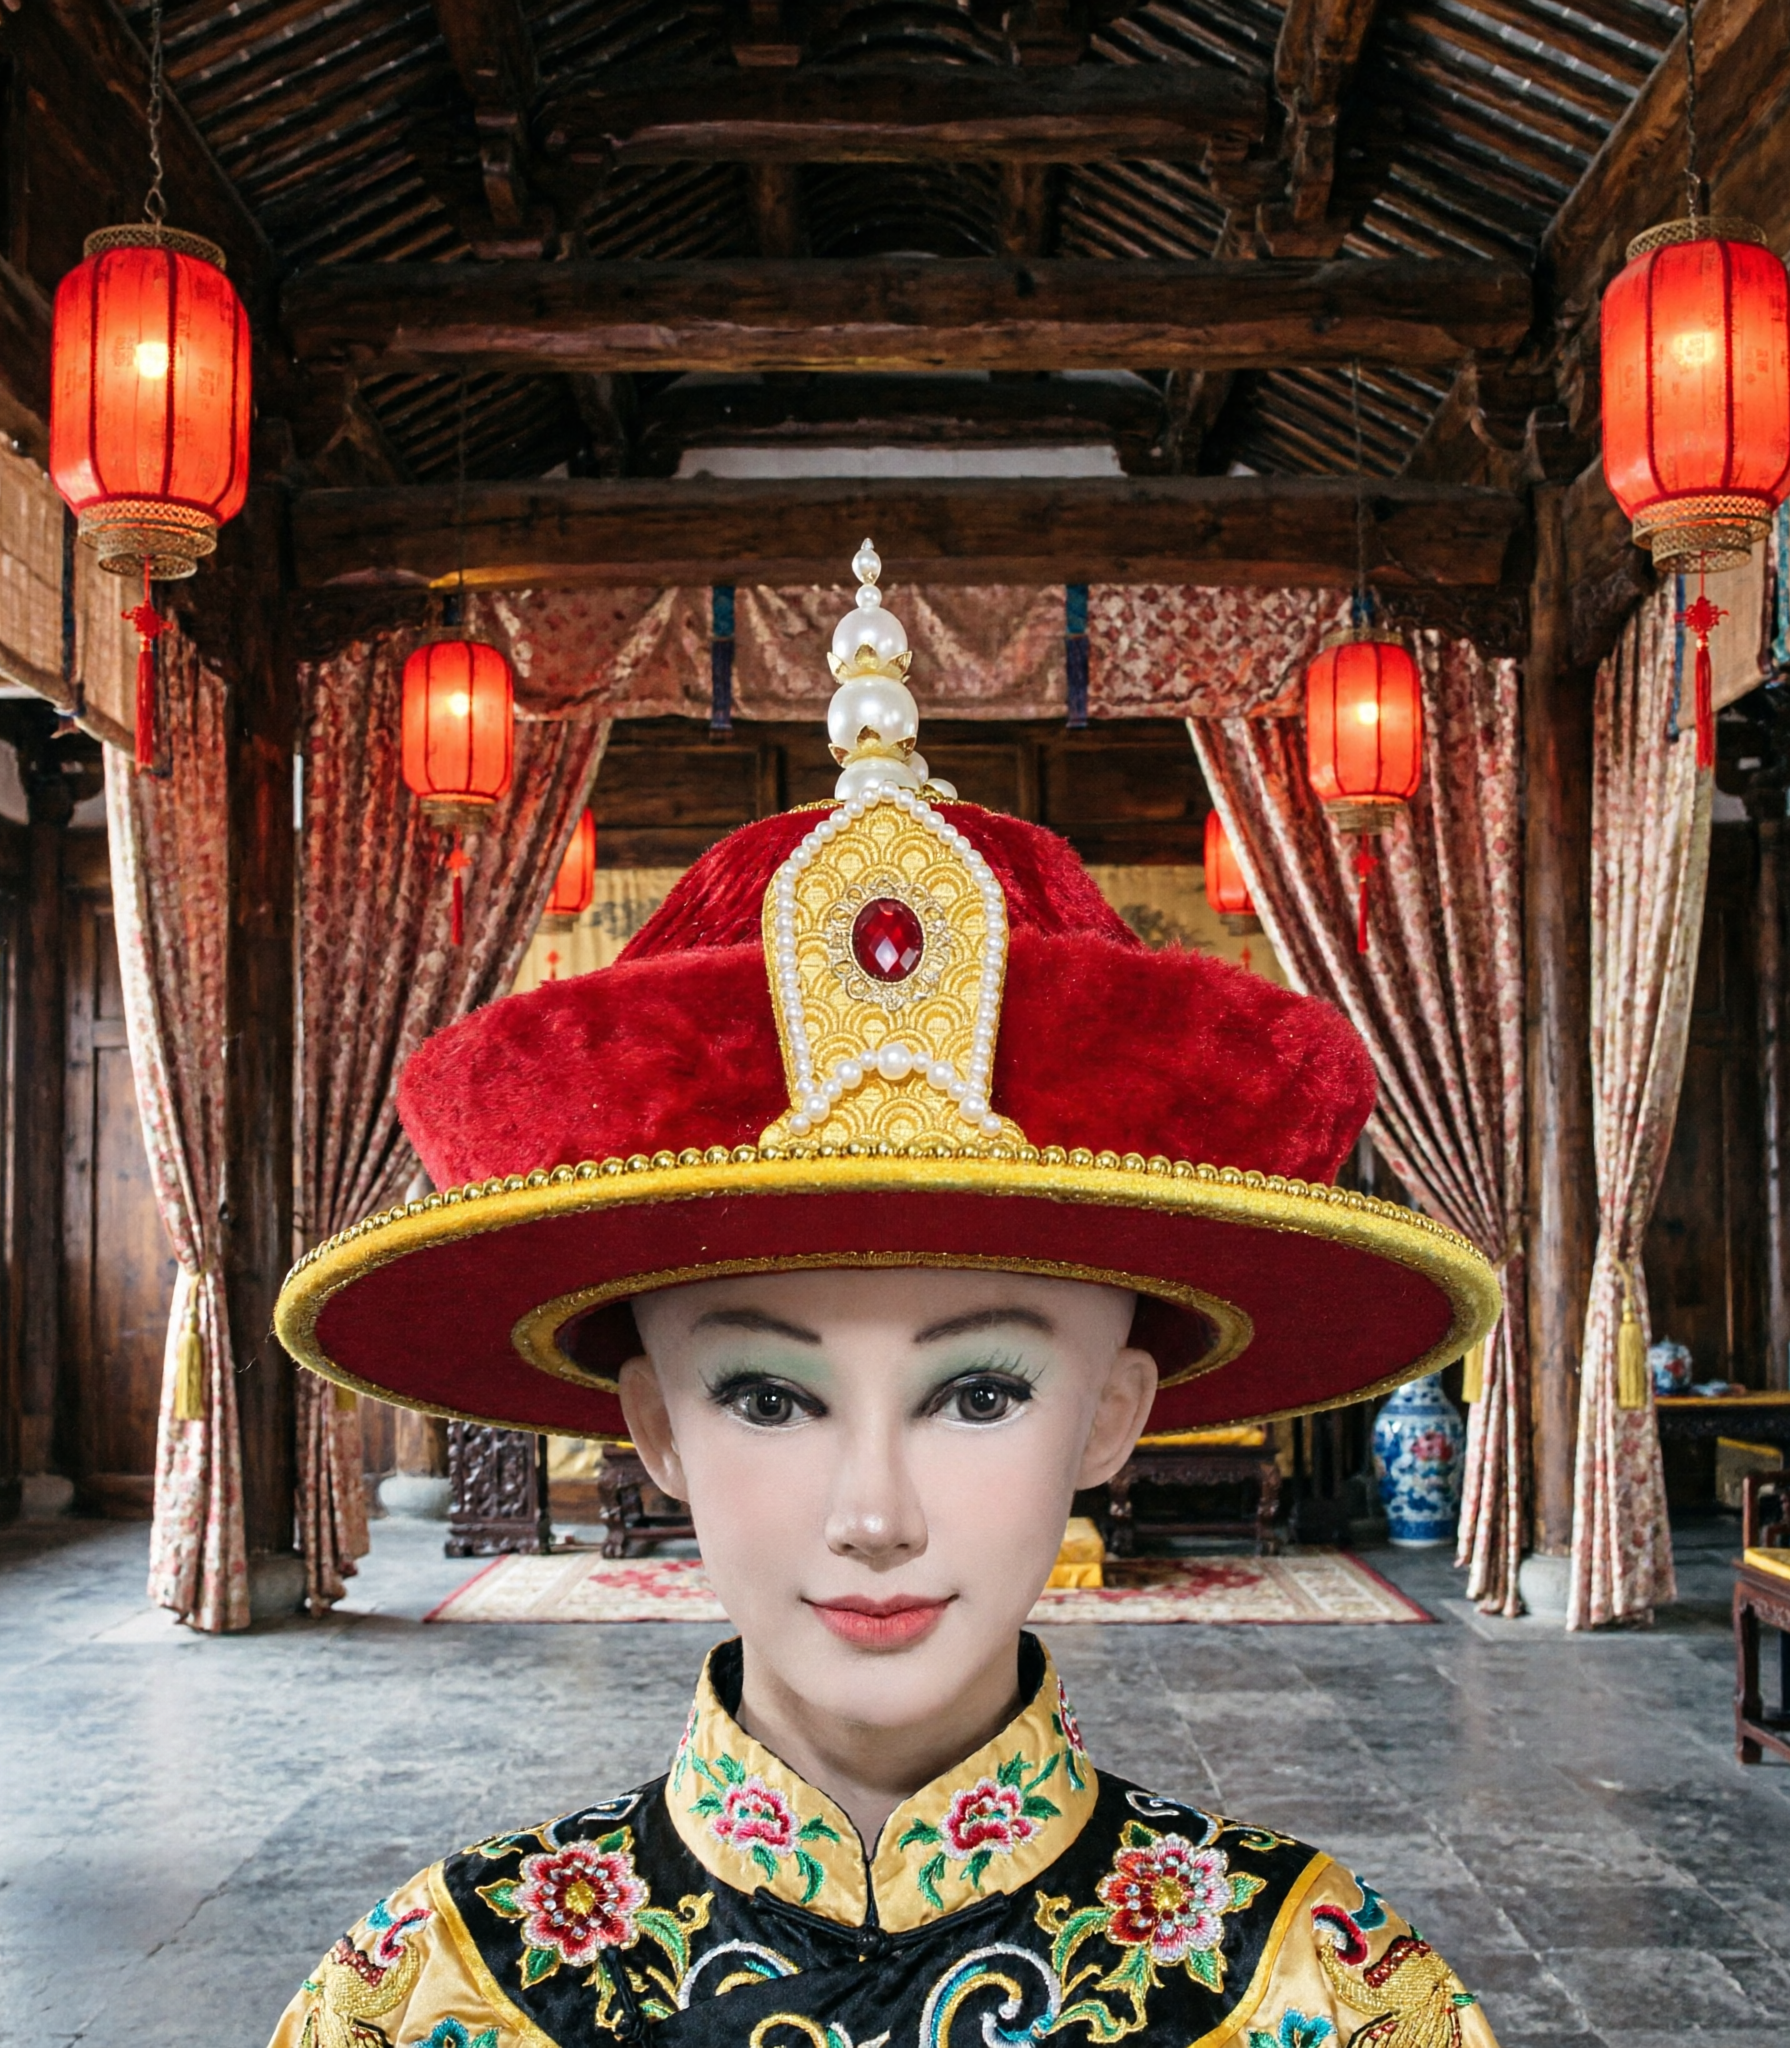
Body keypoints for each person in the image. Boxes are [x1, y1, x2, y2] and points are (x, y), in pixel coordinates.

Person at [268, 546, 1503, 2048]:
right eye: (766, 1395)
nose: (874, 1515)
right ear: (651, 1427)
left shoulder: (1320, 1993)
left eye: (979, 1393)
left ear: (1113, 1413)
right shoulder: (431, 1995)